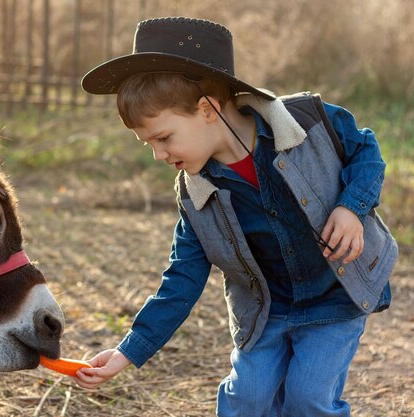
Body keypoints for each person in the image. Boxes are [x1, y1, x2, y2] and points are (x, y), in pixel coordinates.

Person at [74, 17, 398, 416]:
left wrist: (352, 207)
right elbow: (182, 279)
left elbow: (366, 150)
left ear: (208, 109)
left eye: (163, 138)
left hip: (335, 299)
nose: (158, 155)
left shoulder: (309, 121)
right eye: (148, 144)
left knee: (307, 398)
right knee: (248, 399)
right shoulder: (196, 196)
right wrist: (129, 351)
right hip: (267, 313)